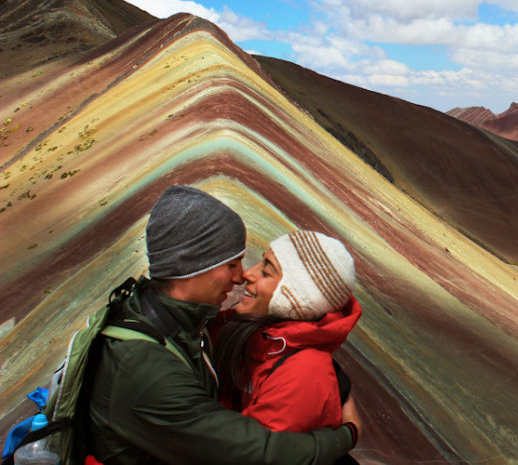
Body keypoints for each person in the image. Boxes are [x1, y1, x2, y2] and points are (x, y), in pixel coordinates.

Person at [85, 185, 359, 465]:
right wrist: (347, 435)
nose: (241, 276)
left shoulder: (175, 321)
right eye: (232, 264)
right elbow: (257, 454)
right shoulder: (145, 366)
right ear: (193, 266)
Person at [212, 230, 362, 434]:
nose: (248, 274)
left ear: (295, 298)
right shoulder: (250, 334)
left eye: (266, 272)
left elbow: (248, 452)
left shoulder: (303, 374)